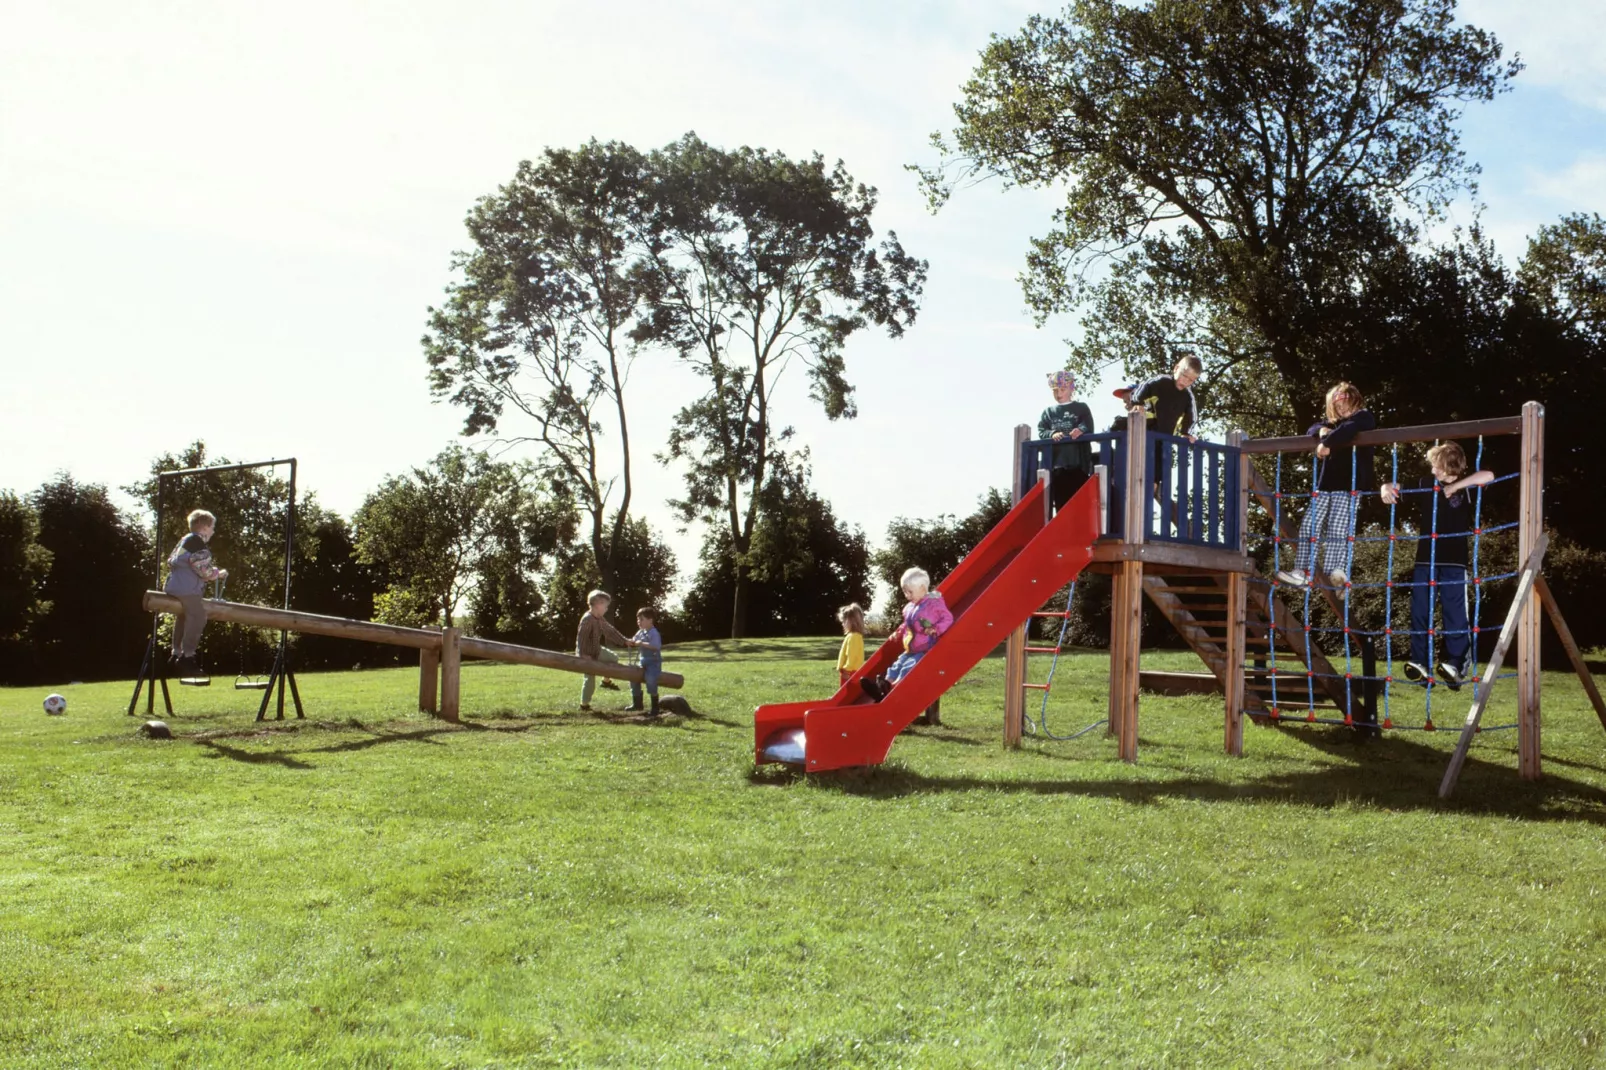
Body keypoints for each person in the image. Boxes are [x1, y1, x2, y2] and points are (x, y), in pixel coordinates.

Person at [1380, 442, 1494, 690]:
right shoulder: (1426, 484)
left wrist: (1455, 486)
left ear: (1449, 465)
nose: (1433, 470)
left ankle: (1456, 663)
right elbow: (1394, 486)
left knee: (1454, 613)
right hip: (1425, 560)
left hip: (1454, 562)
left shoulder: (1468, 489)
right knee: (1420, 611)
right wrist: (1385, 488)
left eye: (1437, 466)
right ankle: (1420, 662)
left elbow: (1489, 475)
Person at [1276, 382, 1376, 590]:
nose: (1340, 407)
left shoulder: (1363, 417)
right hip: (1326, 484)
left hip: (1349, 484)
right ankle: (1302, 572)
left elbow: (1349, 430)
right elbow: (1312, 428)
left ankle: (1336, 572)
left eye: (1343, 401)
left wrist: (1326, 443)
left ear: (1354, 398)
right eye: (1335, 404)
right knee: (1309, 526)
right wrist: (1322, 432)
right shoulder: (1334, 426)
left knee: (1337, 528)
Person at [860, 568, 953, 702]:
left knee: (907, 668)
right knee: (896, 666)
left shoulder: (934, 604)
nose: (907, 595)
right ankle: (882, 687)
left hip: (925, 648)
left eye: (910, 592)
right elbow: (906, 624)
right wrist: (898, 632)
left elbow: (948, 618)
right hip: (911, 648)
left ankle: (893, 691)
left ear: (922, 588)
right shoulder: (911, 607)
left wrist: (936, 629)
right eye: (905, 592)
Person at [163, 508, 227, 676]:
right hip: (187, 588)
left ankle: (176, 653)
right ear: (204, 527)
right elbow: (203, 570)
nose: (213, 531)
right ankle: (188, 656)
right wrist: (217, 574)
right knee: (198, 616)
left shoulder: (184, 540)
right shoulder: (197, 542)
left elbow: (179, 561)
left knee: (184, 616)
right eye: (212, 527)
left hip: (174, 585)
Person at [1037, 371, 1096, 510]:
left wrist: (1080, 429)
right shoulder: (1048, 412)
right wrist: (1052, 433)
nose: (1058, 393)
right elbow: (1041, 430)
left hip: (1078, 463)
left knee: (1080, 502)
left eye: (1062, 389)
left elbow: (1088, 424)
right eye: (1055, 391)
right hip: (1058, 465)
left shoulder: (1081, 408)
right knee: (1061, 502)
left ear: (1071, 388)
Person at [576, 590, 632, 711]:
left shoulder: (599, 618)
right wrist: (583, 654)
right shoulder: (587, 619)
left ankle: (606, 681)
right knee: (589, 679)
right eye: (606, 606)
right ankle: (584, 704)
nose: (607, 608)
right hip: (586, 653)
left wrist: (624, 641)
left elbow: (610, 631)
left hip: (596, 650)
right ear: (598, 604)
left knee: (613, 658)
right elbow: (582, 638)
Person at [1125, 355, 1202, 441]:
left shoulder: (1188, 396)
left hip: (1166, 438)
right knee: (1120, 424)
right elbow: (1145, 386)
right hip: (1148, 429)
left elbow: (1191, 416)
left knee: (1160, 452)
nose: (1186, 381)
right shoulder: (1162, 381)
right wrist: (1137, 403)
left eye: (1191, 380)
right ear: (1176, 368)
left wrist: (1186, 433)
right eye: (1184, 376)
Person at [627, 607, 664, 715]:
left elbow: (656, 646)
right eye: (638, 619)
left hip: (653, 662)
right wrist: (631, 641)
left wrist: (641, 643)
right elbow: (634, 639)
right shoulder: (641, 632)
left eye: (641, 619)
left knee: (650, 678)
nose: (639, 621)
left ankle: (655, 707)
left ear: (650, 620)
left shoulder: (654, 633)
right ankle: (637, 703)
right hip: (643, 661)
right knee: (633, 677)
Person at [836, 603, 866, 688]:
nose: (843, 624)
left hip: (850, 672)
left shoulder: (854, 637)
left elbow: (852, 655)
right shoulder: (852, 636)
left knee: (846, 693)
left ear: (851, 621)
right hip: (848, 671)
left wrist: (847, 669)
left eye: (844, 621)